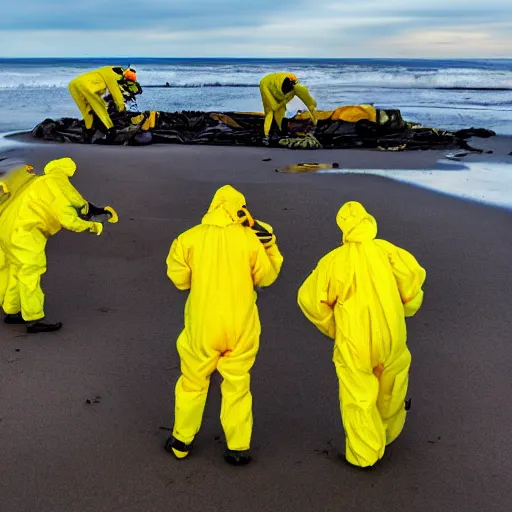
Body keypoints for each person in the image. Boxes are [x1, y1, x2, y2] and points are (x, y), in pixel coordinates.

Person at [297, 201, 426, 469]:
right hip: (392, 336)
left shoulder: (334, 261)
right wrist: (404, 308)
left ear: (342, 225)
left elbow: (310, 300)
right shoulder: (388, 252)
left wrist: (333, 328)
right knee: (392, 387)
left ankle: (364, 453)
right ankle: (387, 434)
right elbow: (412, 281)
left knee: (358, 396)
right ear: (369, 221)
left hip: (355, 342)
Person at [164, 185, 283, 465]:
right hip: (240, 321)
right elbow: (266, 276)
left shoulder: (188, 238)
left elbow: (179, 278)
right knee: (237, 384)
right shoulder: (250, 240)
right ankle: (238, 446)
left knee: (193, 382)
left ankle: (181, 441)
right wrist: (269, 245)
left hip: (203, 323)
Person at [0, 158, 117, 334]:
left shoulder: (39, 180)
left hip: (6, 228)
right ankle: (34, 318)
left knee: (16, 270)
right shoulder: (58, 184)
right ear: (67, 171)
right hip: (26, 233)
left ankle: (12, 310)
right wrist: (94, 226)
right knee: (30, 272)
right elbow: (70, 217)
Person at [68, 66, 141, 138]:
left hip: (73, 84)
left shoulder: (112, 70)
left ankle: (89, 130)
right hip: (86, 86)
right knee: (99, 107)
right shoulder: (111, 77)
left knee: (87, 110)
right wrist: (121, 109)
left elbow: (105, 92)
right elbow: (116, 94)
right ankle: (110, 129)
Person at [259, 72, 318, 143]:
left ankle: (280, 129)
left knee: (281, 110)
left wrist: (315, 122)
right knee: (270, 111)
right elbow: (274, 107)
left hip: (280, 88)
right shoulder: (266, 84)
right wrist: (284, 101)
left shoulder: (296, 87)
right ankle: (266, 135)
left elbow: (309, 102)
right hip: (267, 86)